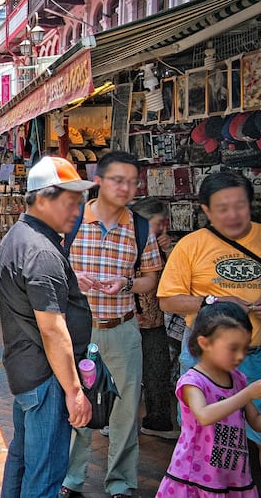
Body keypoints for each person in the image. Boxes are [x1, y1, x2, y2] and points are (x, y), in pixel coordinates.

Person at [61, 151, 164, 498]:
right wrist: (75, 279)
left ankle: (120, 482)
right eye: (118, 179)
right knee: (77, 403)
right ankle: (71, 479)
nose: (126, 188)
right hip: (78, 330)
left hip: (122, 329)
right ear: (99, 181)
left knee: (124, 411)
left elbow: (151, 278)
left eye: (132, 182)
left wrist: (127, 284)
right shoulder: (71, 220)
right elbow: (50, 271)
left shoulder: (139, 227)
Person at [0, 156, 94, 498]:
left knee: (23, 460)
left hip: (28, 372)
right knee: (45, 472)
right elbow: (53, 330)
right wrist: (74, 391)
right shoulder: (41, 251)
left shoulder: (20, 237)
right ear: (42, 198)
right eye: (70, 202)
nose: (76, 211)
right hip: (46, 378)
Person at [158, 171, 261, 489]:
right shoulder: (191, 246)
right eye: (222, 207)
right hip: (208, 364)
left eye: (239, 205)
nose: (232, 214)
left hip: (258, 355)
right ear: (206, 210)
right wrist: (213, 300)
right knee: (212, 445)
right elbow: (167, 300)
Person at [157, 302, 261, 496]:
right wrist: (248, 393)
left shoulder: (238, 379)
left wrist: (246, 393)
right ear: (205, 343)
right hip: (196, 476)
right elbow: (204, 415)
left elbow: (255, 420)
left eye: (244, 348)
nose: (240, 356)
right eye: (232, 348)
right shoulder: (193, 382)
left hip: (233, 476)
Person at [130, 197, 179, 440]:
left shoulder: (166, 246)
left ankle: (158, 421)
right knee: (125, 374)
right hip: (128, 318)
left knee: (156, 372)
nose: (162, 228)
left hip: (156, 321)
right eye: (157, 224)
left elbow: (179, 277)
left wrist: (169, 249)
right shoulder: (128, 243)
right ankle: (113, 420)